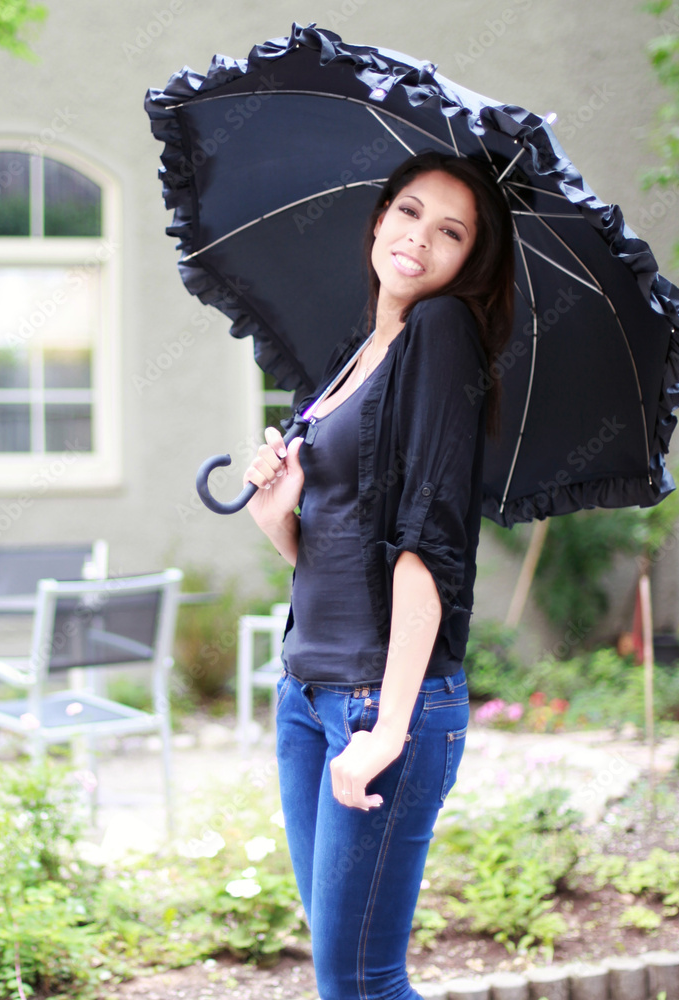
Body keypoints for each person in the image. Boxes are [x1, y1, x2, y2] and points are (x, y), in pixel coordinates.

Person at [242, 150, 514, 1000]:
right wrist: (277, 515)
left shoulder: (442, 333)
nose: (420, 238)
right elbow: (340, 551)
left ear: (470, 262)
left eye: (451, 232)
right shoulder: (361, 352)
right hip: (308, 692)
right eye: (409, 211)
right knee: (347, 976)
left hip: (377, 701)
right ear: (378, 219)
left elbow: (428, 543)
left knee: (362, 981)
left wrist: (389, 729)